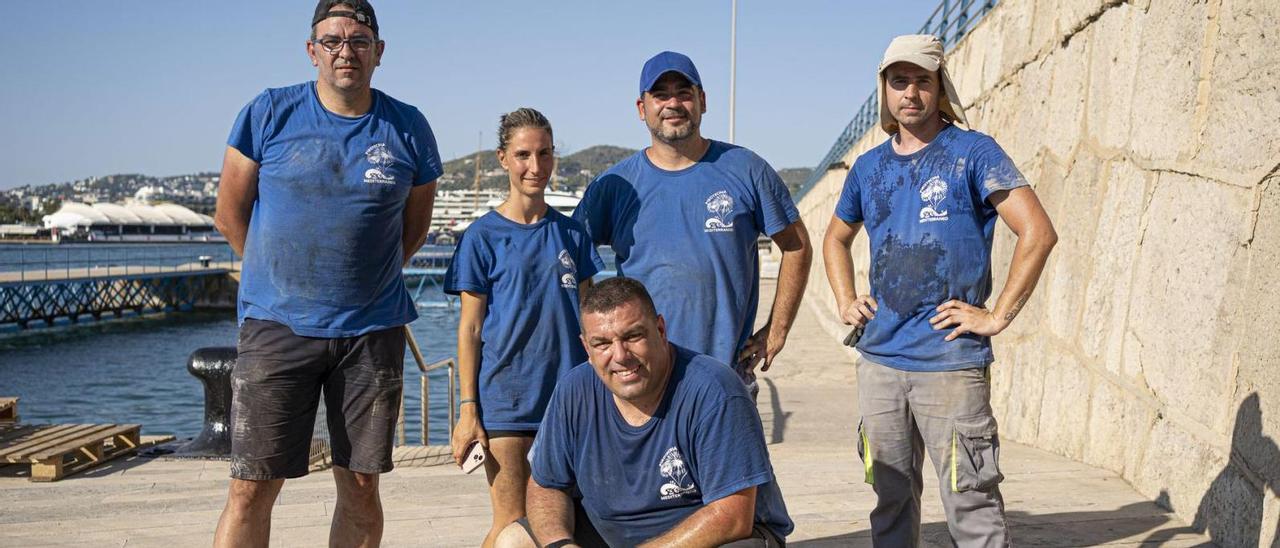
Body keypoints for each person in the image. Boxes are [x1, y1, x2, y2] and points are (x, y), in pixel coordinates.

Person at [211, 1, 442, 546]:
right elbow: (228, 212)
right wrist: (273, 273)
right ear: (312, 50)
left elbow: (415, 228)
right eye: (332, 40)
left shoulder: (408, 127)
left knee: (361, 484)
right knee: (251, 487)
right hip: (276, 327)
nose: (346, 51)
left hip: (371, 331)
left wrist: (362, 280)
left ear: (379, 53)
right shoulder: (269, 112)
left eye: (359, 40)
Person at [823, 34, 1057, 546]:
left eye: (921, 81)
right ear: (884, 89)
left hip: (950, 363)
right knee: (889, 501)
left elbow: (1037, 232)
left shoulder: (973, 152)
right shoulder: (868, 167)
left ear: (939, 86)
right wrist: (846, 300)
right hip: (880, 361)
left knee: (971, 504)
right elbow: (835, 239)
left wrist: (996, 316)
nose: (910, 93)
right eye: (898, 81)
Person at [573, 51, 813, 394]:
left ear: (702, 101)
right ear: (642, 109)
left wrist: (777, 329)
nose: (673, 103)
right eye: (661, 95)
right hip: (640, 382)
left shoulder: (746, 169)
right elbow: (570, 259)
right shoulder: (614, 186)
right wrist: (601, 341)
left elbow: (797, 247)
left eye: (684, 93)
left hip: (725, 379)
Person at [517, 277, 792, 547]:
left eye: (633, 336)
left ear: (660, 330)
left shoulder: (715, 391)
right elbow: (546, 486)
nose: (620, 355)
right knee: (512, 540)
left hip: (713, 537)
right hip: (609, 532)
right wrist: (560, 544)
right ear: (586, 348)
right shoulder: (573, 390)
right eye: (602, 343)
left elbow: (731, 517)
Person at [444, 108, 603, 547]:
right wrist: (468, 409)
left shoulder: (573, 236)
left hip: (571, 403)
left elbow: (592, 324)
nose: (536, 167)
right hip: (506, 404)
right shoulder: (481, 237)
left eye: (545, 154)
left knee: (564, 525)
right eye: (523, 155)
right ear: (503, 159)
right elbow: (470, 329)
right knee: (512, 526)